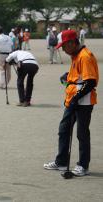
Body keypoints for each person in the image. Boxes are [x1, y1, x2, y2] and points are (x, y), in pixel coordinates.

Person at [44, 30, 99, 176]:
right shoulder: (75, 55)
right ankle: (61, 161)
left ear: (71, 43)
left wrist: (76, 98)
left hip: (84, 102)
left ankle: (83, 165)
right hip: (73, 99)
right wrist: (68, 76)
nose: (63, 49)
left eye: (64, 46)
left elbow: (91, 82)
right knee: (64, 130)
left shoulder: (85, 56)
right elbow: (79, 76)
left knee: (82, 133)